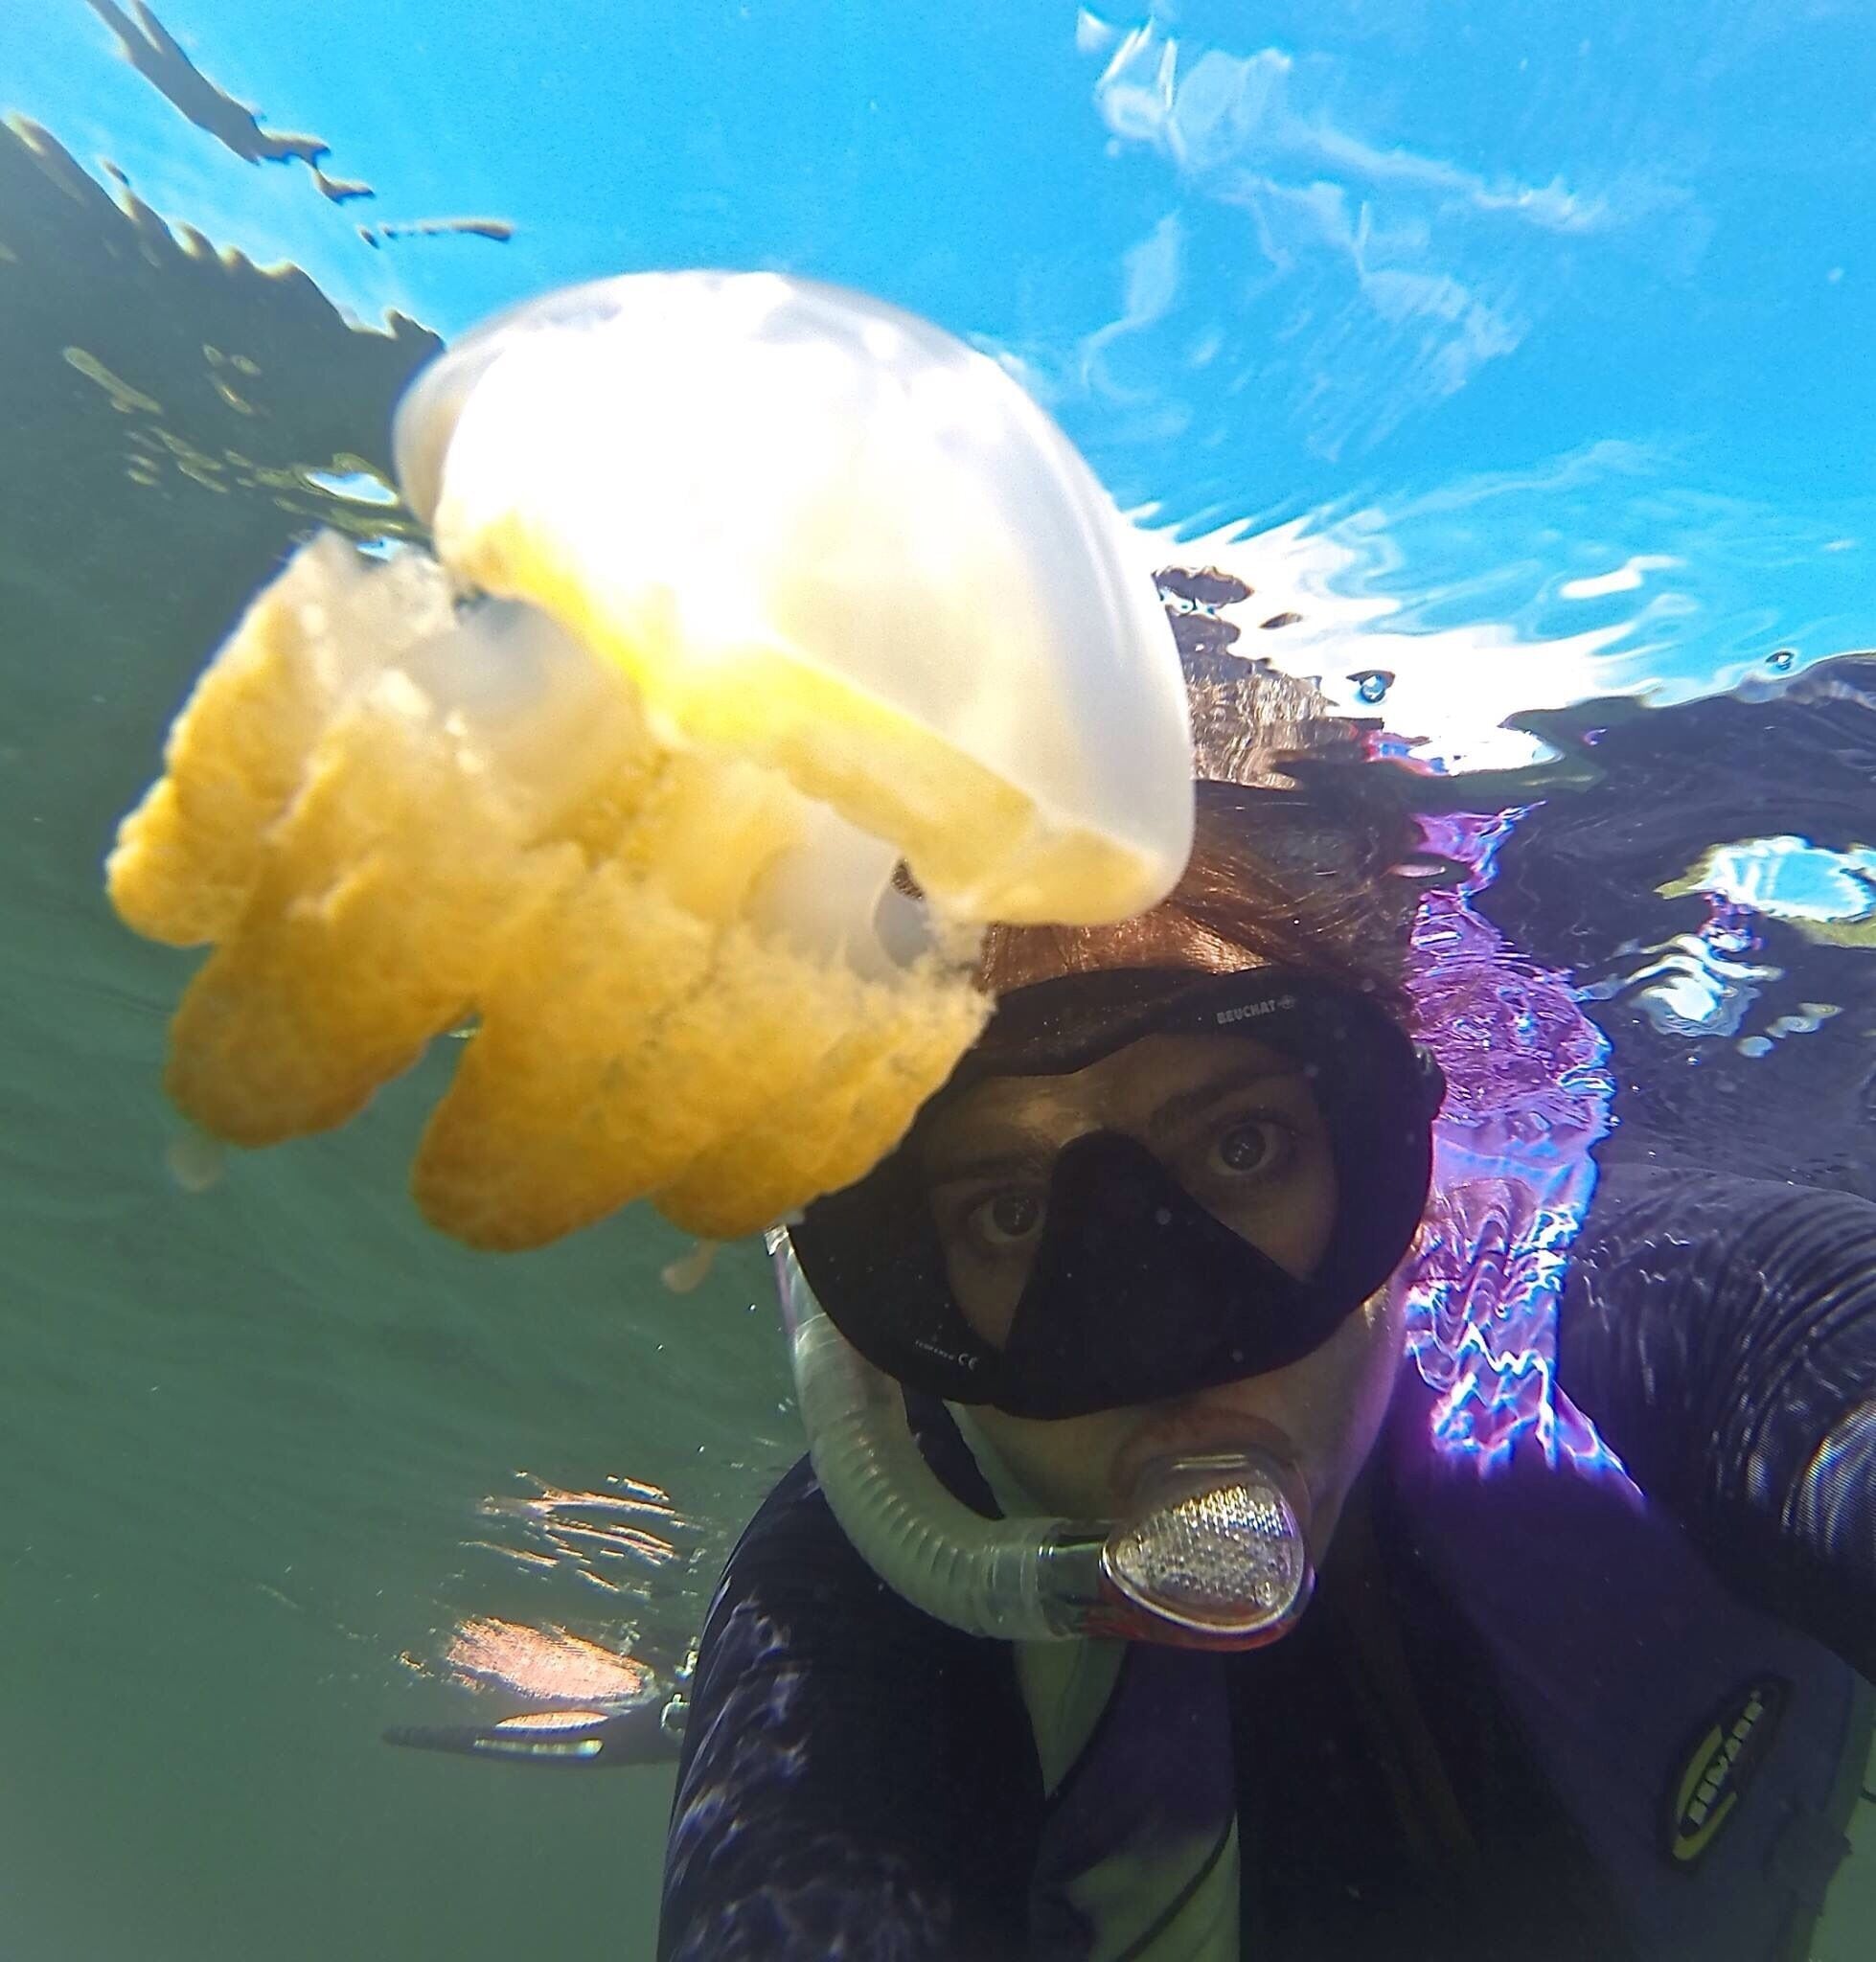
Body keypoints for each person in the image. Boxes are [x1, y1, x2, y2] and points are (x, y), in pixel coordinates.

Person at [656, 645, 1876, 1962]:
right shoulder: (858, 1614)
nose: (1156, 1340)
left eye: (1242, 1146)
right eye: (1008, 1213)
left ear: (1384, 1150)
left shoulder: (1670, 1312)